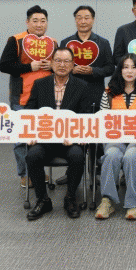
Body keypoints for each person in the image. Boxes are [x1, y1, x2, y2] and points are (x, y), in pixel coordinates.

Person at [24, 47, 91, 221]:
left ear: (73, 64)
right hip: (44, 139)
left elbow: (85, 116)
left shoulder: (82, 86)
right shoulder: (40, 84)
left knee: (77, 156)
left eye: (67, 61)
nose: (62, 65)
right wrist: (30, 133)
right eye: (58, 61)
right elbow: (29, 112)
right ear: (52, 63)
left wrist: (76, 136)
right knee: (32, 156)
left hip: (70, 140)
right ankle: (43, 199)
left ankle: (70, 197)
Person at [95, 53, 136, 221]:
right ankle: (107, 201)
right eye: (125, 67)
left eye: (134, 67)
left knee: (131, 156)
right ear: (120, 70)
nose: (129, 71)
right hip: (115, 139)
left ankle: (132, 204)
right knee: (111, 155)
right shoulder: (109, 92)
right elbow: (102, 121)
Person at [0, 5, 55, 188]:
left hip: (46, 97)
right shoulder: (16, 40)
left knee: (43, 137)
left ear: (47, 23)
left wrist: (52, 66)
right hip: (22, 97)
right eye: (35, 20)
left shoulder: (52, 42)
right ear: (27, 22)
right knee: (22, 139)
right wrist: (29, 67)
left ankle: (39, 171)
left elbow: (62, 66)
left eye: (43, 21)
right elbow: (4, 66)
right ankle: (25, 174)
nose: (39, 24)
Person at [60, 5, 114, 110]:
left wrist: (93, 71)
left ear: (93, 20)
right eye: (79, 18)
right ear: (75, 20)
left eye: (87, 18)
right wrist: (71, 70)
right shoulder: (66, 43)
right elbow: (57, 67)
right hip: (70, 93)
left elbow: (110, 68)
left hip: (95, 92)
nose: (83, 21)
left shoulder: (103, 43)